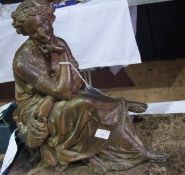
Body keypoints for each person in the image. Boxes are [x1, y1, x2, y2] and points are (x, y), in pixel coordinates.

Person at [11, 1, 165, 174]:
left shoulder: (59, 42)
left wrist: (56, 92)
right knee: (87, 103)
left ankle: (136, 149)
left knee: (94, 105)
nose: (41, 32)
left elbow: (76, 80)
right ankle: (121, 111)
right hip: (37, 108)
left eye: (42, 24)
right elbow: (66, 91)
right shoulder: (23, 61)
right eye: (33, 31)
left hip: (55, 97)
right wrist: (61, 57)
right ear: (27, 34)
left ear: (49, 18)